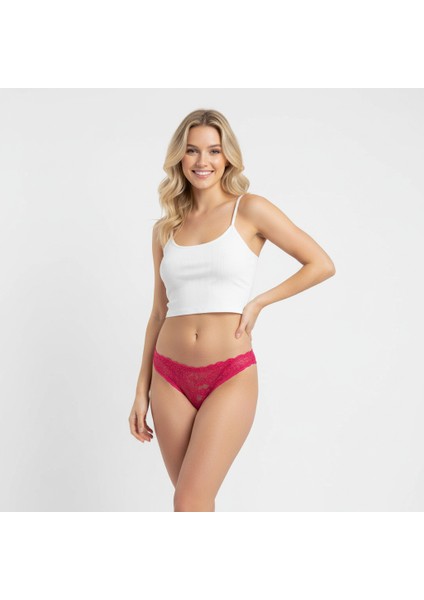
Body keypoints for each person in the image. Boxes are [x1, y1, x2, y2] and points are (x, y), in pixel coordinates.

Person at [129, 108, 336, 512]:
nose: (202, 161)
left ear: (228, 157)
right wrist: (141, 391)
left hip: (229, 373)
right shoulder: (165, 228)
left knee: (190, 498)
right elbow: (158, 312)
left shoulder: (250, 209)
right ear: (179, 157)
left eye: (213, 150)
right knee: (191, 503)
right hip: (168, 377)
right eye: (192, 150)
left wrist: (260, 302)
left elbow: (321, 264)